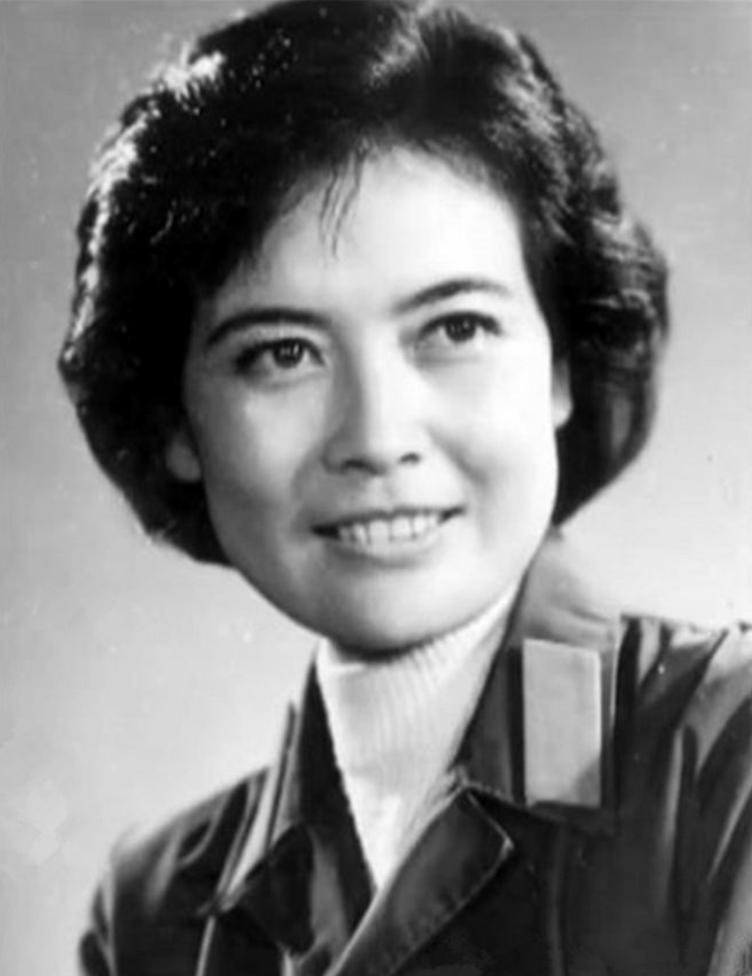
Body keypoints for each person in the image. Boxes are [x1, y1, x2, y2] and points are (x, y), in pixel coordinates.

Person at [59, 1, 752, 973]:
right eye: (282, 353)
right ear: (176, 424)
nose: (377, 440)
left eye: (455, 328)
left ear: (561, 363)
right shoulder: (155, 909)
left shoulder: (726, 753)